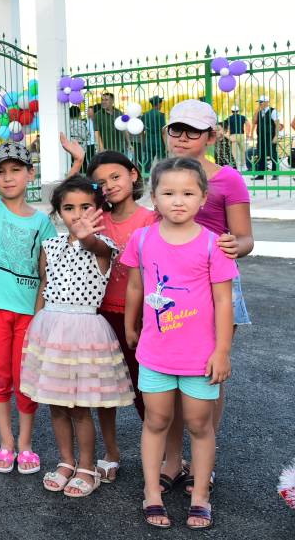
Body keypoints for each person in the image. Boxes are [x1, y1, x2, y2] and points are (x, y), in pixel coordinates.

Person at [122, 157, 237, 530]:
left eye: (188, 193)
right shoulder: (142, 239)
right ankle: (151, 492)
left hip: (200, 357)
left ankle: (200, 495)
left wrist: (222, 351)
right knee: (156, 419)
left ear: (203, 198)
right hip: (155, 353)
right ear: (154, 198)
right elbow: (136, 286)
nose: (178, 201)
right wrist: (129, 324)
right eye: (168, 193)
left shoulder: (213, 244)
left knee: (199, 423)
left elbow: (224, 301)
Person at [19, 175, 134, 497]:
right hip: (50, 330)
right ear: (58, 212)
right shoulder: (50, 246)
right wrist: (35, 326)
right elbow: (45, 286)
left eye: (86, 207)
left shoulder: (103, 247)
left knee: (79, 406)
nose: (78, 214)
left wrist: (87, 236)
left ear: (99, 210)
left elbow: (92, 244)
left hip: (84, 332)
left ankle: (86, 466)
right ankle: (66, 461)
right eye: (69, 208)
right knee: (55, 404)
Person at [161, 99, 254, 496]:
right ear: (166, 133)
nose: (183, 138)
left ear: (211, 137)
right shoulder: (163, 174)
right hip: (172, 289)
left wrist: (235, 245)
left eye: (193, 131)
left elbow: (246, 238)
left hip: (217, 288)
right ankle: (170, 461)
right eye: (176, 129)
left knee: (210, 373)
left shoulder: (228, 179)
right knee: (167, 375)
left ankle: (204, 464)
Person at [63, 137, 155, 482]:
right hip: (100, 316)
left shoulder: (151, 219)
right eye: (100, 182)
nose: (110, 186)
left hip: (142, 317)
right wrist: (77, 163)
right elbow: (66, 200)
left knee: (147, 391)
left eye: (116, 176)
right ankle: (111, 452)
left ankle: (162, 455)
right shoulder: (96, 218)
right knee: (102, 391)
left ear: (133, 174)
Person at [0, 140, 57, 476]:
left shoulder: (42, 222)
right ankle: (6, 442)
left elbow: (46, 273)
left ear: (30, 174)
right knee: (0, 375)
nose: (8, 178)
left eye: (16, 170)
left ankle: (25, 443)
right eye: (1, 172)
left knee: (25, 378)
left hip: (28, 313)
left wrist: (39, 313)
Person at [252, 95, 283, 179]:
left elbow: (277, 124)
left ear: (266, 102)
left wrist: (276, 136)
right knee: (260, 156)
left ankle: (275, 174)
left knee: (273, 155)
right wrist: (257, 110)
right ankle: (260, 175)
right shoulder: (259, 112)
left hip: (270, 137)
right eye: (259, 102)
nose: (260, 104)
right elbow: (254, 121)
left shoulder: (273, 111)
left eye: (261, 102)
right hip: (261, 137)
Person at [138, 96, 168, 173]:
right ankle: (162, 176)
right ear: (159, 104)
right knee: (162, 162)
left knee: (147, 163)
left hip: (148, 141)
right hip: (159, 142)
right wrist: (166, 146)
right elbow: (163, 132)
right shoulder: (161, 115)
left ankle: (145, 177)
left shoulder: (144, 115)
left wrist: (144, 143)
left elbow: (141, 131)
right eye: (161, 103)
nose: (161, 105)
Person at [224, 105, 249, 171]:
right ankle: (243, 164)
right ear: (238, 111)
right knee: (242, 150)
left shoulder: (229, 118)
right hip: (241, 135)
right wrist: (248, 134)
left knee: (234, 151)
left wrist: (226, 134)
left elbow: (224, 126)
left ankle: (235, 165)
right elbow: (248, 124)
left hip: (233, 136)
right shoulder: (243, 117)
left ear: (231, 111)